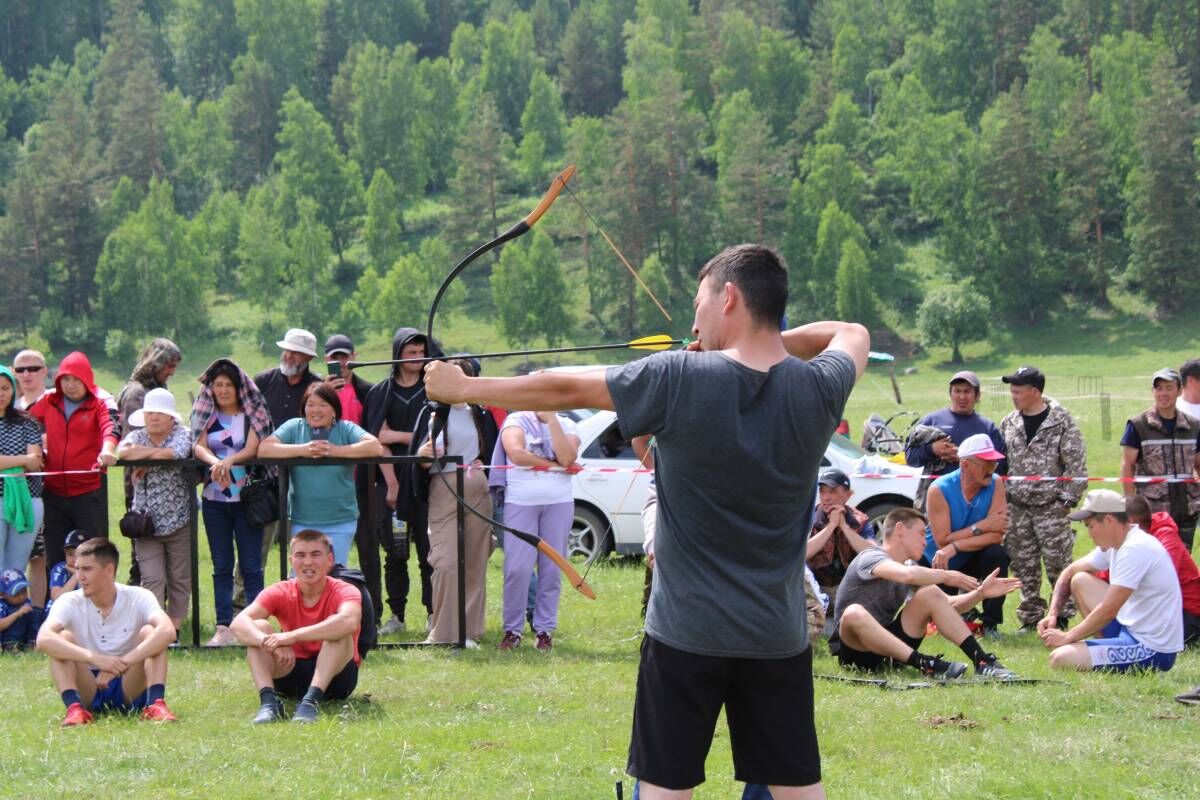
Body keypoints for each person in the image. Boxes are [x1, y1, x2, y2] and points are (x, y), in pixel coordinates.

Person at [424, 243, 869, 800]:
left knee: (663, 791)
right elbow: (850, 331)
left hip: (685, 634)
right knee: (798, 790)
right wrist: (760, 342)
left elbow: (566, 387)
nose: (693, 320)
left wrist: (465, 388)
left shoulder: (679, 377)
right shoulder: (822, 387)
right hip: (776, 636)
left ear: (729, 297)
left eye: (699, 303)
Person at [831, 508, 1019, 678]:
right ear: (900, 529)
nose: (925, 541)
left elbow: (948, 605)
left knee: (930, 593)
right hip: (855, 651)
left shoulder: (911, 568)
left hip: (891, 652)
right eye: (922, 534)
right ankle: (924, 663)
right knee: (853, 612)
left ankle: (982, 661)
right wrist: (946, 576)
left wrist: (980, 593)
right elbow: (907, 576)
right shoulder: (871, 556)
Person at [36, 538, 178, 726]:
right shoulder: (68, 600)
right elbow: (43, 639)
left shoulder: (139, 596)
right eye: (77, 569)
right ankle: (75, 709)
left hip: (128, 681)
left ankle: (155, 704)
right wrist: (97, 659)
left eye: (87, 569)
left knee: (151, 632)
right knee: (61, 638)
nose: (80, 576)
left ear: (109, 570)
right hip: (88, 683)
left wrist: (121, 663)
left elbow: (168, 631)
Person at [1040, 490, 1183, 672]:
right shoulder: (1119, 541)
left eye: (1090, 526)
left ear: (1109, 520)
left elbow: (1109, 610)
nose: (1090, 534)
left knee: (1059, 658)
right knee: (1080, 580)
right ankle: (1102, 649)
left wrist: (1068, 636)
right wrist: (1052, 614)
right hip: (1130, 630)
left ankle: (1099, 654)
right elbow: (1070, 572)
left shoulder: (1134, 548)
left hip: (1152, 649)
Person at [230, 529, 362, 724]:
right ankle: (268, 704)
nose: (308, 562)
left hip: (336, 680)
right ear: (292, 561)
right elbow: (238, 623)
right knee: (258, 626)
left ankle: (310, 703)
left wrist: (290, 637)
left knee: (340, 634)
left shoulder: (345, 590)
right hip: (289, 672)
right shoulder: (281, 590)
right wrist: (269, 641)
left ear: (329, 560)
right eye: (300, 555)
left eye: (315, 554)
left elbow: (349, 621)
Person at [413, 356, 499, 648]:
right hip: (444, 487)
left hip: (476, 486)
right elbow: (421, 459)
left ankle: (470, 630)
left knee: (475, 560)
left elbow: (492, 451)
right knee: (445, 561)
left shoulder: (480, 413)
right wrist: (423, 457)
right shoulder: (433, 412)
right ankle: (443, 631)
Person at [997, 366, 1088, 631]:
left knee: (1059, 564)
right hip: (1018, 508)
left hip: (1051, 508)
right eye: (1012, 390)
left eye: (1018, 390)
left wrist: (1065, 503)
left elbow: (1076, 466)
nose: (1013, 394)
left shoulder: (1061, 421)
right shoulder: (1009, 422)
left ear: (1035, 392)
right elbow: (1002, 466)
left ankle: (1060, 615)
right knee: (1024, 566)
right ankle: (1030, 617)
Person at [191, 359, 274, 647]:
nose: (223, 390)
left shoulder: (251, 413)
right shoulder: (207, 414)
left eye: (228, 385)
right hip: (214, 500)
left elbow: (253, 447)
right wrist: (216, 464)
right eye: (218, 385)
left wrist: (230, 461)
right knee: (221, 564)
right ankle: (224, 626)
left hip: (247, 499)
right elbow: (198, 445)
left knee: (251, 565)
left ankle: (254, 623)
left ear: (239, 388)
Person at [363, 327, 440, 636]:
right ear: (398, 355)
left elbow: (434, 439)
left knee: (428, 552)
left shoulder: (434, 389)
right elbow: (374, 439)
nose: (416, 358)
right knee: (394, 553)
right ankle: (396, 614)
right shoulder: (381, 392)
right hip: (390, 483)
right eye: (410, 352)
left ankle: (433, 612)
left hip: (427, 483)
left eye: (421, 352)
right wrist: (392, 484)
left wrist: (397, 435)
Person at [258, 382, 383, 566]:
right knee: (303, 574)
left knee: (333, 574)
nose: (316, 410)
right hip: (302, 520)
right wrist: (302, 450)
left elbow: (375, 446)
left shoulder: (345, 428)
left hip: (341, 519)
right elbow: (265, 449)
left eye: (323, 404)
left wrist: (334, 451)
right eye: (311, 404)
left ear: (334, 409)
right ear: (303, 408)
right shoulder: (295, 427)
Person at [27, 352, 118, 594]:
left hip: (88, 493)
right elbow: (24, 422)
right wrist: (35, 451)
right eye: (65, 379)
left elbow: (110, 427)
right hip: (53, 493)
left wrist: (107, 450)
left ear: (87, 380)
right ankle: (55, 614)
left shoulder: (99, 402)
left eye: (76, 379)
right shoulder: (48, 401)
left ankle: (100, 609)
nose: (70, 385)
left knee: (94, 556)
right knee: (55, 556)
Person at [496, 410, 580, 651]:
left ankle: (544, 630)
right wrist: (552, 465)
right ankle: (512, 630)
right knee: (517, 568)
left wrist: (552, 420)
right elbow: (517, 454)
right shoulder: (516, 420)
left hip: (559, 501)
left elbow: (568, 457)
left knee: (551, 568)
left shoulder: (566, 423)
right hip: (520, 501)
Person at [117, 389, 194, 632]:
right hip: (145, 524)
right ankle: (157, 628)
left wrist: (147, 463)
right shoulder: (136, 435)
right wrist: (155, 457)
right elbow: (123, 453)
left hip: (179, 520)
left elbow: (176, 453)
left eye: (160, 413)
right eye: (150, 413)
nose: (155, 418)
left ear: (171, 417)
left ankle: (175, 630)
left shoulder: (183, 434)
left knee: (179, 579)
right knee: (151, 578)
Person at [923, 433, 1012, 636]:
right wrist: (983, 525)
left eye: (994, 463)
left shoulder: (996, 483)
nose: (992, 468)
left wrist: (955, 546)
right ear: (965, 465)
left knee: (997, 553)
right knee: (943, 619)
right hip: (938, 561)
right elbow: (941, 540)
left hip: (964, 553)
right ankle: (962, 614)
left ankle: (991, 624)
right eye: (986, 463)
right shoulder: (939, 489)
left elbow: (997, 535)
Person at [253, 328, 322, 572]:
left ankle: (300, 596)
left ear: (309, 358)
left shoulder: (318, 387)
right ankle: (243, 601)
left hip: (304, 474)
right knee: (256, 543)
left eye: (297, 353)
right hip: (262, 476)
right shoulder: (261, 381)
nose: (290, 356)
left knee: (304, 541)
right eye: (287, 351)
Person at [1119, 367, 1200, 551]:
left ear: (1179, 391)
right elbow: (1127, 466)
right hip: (1153, 512)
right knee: (1153, 562)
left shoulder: (1193, 426)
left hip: (1187, 510)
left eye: (1169, 388)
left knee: (1181, 563)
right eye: (1159, 388)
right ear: (1153, 391)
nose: (1163, 393)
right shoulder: (1138, 425)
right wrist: (1132, 505)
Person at [906, 371, 1007, 508]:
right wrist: (932, 450)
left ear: (977, 396)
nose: (962, 397)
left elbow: (1000, 466)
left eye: (967, 392)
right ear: (950, 394)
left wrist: (967, 459)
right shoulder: (931, 421)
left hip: (975, 501)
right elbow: (910, 458)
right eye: (957, 391)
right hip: (939, 498)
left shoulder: (987, 427)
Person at [1123, 496, 1200, 646]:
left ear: (1129, 522)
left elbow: (1158, 580)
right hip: (1161, 609)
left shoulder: (1166, 536)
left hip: (1187, 613)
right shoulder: (1128, 539)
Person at [806, 468, 876, 603]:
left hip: (847, 589)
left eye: (832, 491)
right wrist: (830, 526)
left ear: (847, 495)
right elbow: (801, 554)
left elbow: (872, 554)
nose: (826, 497)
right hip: (814, 588)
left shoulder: (860, 520)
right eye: (822, 491)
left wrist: (844, 526)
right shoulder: (809, 518)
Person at [0, 365, 44, 574]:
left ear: (13, 390)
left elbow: (35, 461)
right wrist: (22, 460)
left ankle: (16, 607)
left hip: (28, 500)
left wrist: (13, 461)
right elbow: (28, 459)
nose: (1, 394)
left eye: (5, 388)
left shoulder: (27, 421)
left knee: (16, 568)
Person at [323, 334, 371, 426]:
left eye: (344, 357)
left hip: (360, 440)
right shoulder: (315, 390)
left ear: (354, 356)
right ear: (326, 359)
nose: (340, 363)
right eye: (334, 358)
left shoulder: (368, 390)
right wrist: (325, 393)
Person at [46, 529, 92, 615]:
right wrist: (76, 576)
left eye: (79, 555)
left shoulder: (93, 571)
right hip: (56, 614)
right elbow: (56, 598)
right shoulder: (60, 569)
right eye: (70, 554)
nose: (74, 559)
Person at [1, 568, 36, 650]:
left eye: (24, 591)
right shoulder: (2, 605)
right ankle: (11, 647)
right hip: (8, 641)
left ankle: (32, 642)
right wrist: (17, 613)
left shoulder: (27, 602)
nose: (21, 597)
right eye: (16, 594)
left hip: (25, 639)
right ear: (3, 594)